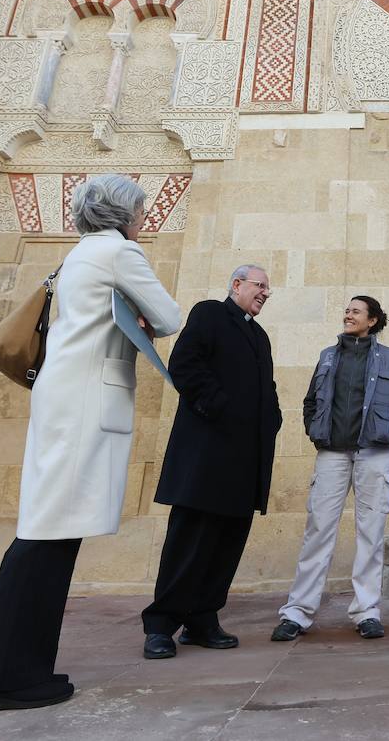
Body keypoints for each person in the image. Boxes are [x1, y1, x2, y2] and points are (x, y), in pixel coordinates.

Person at [0, 174, 181, 715]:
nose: (142, 220)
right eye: (139, 211)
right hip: (85, 402)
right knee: (48, 534)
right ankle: (0, 679)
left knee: (47, 529)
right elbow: (170, 317)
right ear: (124, 214)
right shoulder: (118, 253)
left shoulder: (78, 254)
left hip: (63, 398)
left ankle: (16, 670)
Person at [141, 265, 283, 659]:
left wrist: (271, 419)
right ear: (236, 285)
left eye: (268, 289)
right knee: (190, 541)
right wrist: (218, 407)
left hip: (244, 461)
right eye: (260, 286)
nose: (265, 293)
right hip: (207, 456)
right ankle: (160, 625)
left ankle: (203, 619)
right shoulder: (209, 313)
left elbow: (266, 387)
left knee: (226, 542)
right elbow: (185, 366)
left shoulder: (259, 335)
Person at [272, 296, 389, 641]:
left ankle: (367, 611)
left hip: (374, 451)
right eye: (347, 310)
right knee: (318, 528)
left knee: (370, 531)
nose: (348, 314)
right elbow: (310, 400)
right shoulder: (328, 355)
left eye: (356, 311)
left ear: (373, 320)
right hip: (332, 452)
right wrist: (312, 426)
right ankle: (297, 613)